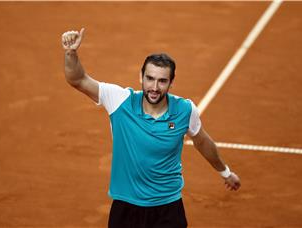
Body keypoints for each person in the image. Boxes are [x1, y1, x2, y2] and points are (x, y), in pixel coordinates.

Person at [61, 28, 241, 228]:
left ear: (171, 82)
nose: (154, 87)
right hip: (126, 207)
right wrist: (71, 53)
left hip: (168, 207)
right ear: (141, 77)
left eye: (162, 81)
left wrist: (225, 172)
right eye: (150, 78)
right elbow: (77, 79)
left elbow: (201, 141)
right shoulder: (120, 101)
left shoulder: (185, 110)